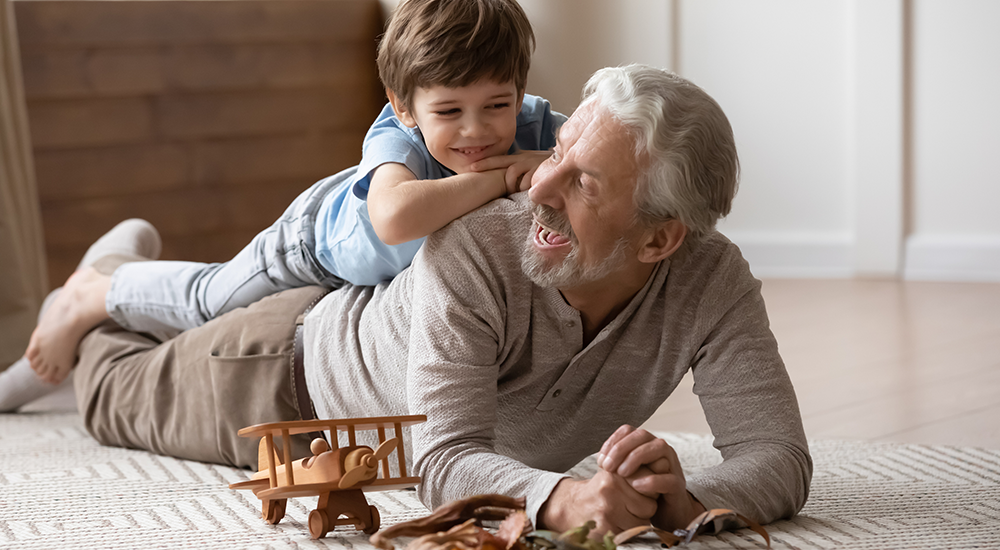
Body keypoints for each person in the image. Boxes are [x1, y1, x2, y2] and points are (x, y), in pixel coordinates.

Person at [60, 65, 812, 535]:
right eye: (557, 154)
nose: (537, 188)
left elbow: (777, 456)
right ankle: (99, 288)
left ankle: (118, 282)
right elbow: (443, 456)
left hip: (328, 354)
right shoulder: (478, 246)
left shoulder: (714, 282)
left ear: (660, 242)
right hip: (279, 371)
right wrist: (564, 499)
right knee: (106, 386)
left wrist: (681, 499)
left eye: (582, 183)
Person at [21, 0, 564, 387]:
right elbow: (395, 219)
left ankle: (109, 275)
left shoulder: (535, 124)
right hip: (312, 244)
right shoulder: (395, 136)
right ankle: (91, 291)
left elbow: (603, 161)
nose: (477, 131)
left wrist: (545, 160)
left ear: (519, 89)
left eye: (498, 105)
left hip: (371, 282)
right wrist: (500, 177)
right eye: (448, 112)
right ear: (404, 106)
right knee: (209, 303)